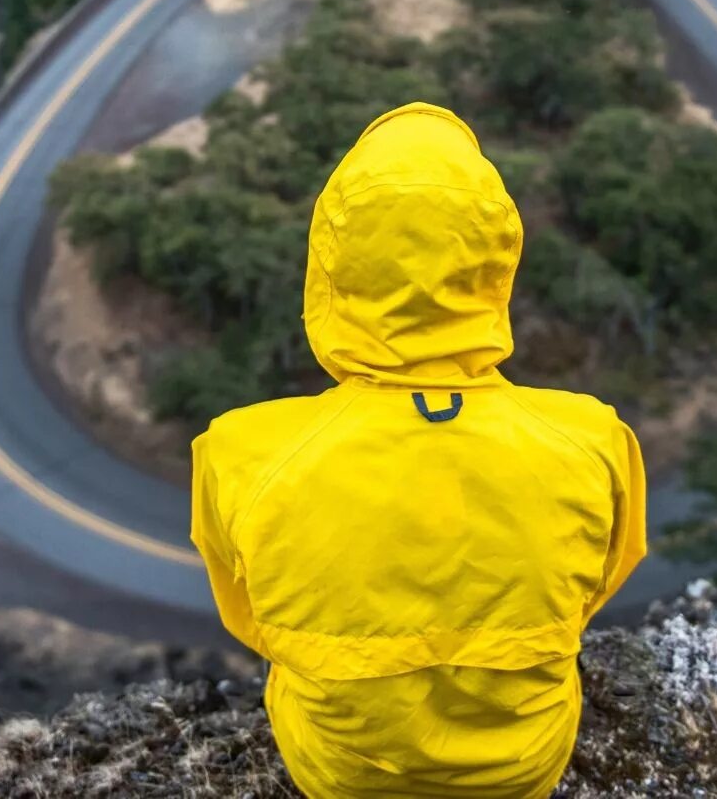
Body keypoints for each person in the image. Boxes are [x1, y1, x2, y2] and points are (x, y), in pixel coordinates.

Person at [191, 102, 647, 798]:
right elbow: (590, 594)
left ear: (329, 269)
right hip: (521, 771)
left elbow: (252, 619)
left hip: (340, 775)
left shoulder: (240, 452)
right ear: (496, 265)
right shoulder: (593, 439)